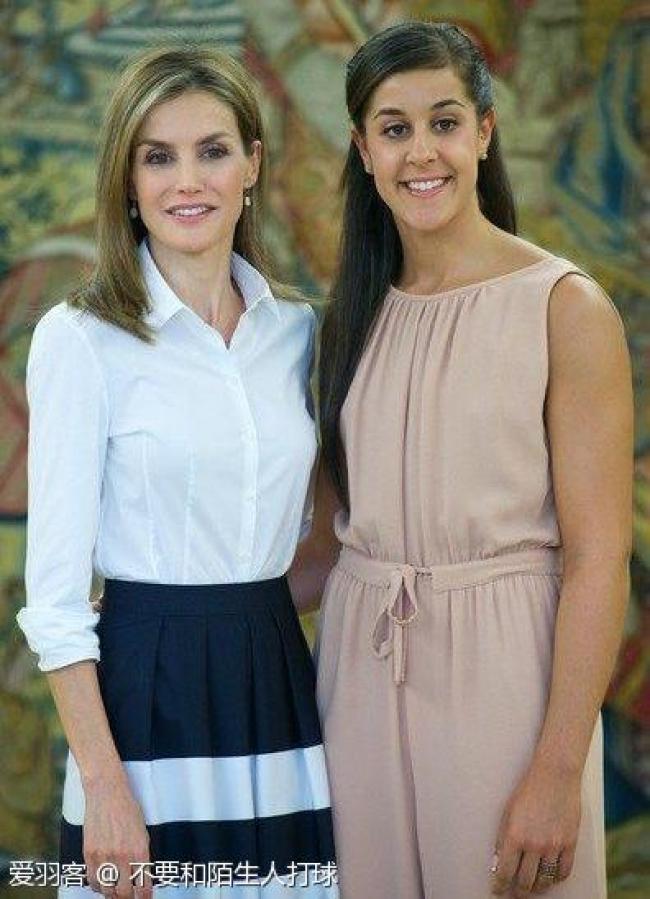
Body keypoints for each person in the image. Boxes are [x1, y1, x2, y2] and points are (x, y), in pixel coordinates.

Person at [302, 20, 632, 899]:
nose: (422, 152)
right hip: (359, 683)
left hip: (507, 684)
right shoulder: (348, 320)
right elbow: (324, 550)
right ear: (363, 149)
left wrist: (558, 770)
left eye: (444, 122)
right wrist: (159, 604)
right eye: (395, 128)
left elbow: (599, 560)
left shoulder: (564, 307)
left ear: (485, 132)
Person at [17, 45, 337, 899]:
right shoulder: (80, 339)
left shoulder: (296, 332)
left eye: (212, 150)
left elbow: (314, 540)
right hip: (143, 699)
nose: (187, 181)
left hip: (276, 681)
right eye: (158, 156)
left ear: (253, 164)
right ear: (127, 179)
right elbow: (54, 600)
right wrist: (104, 785)